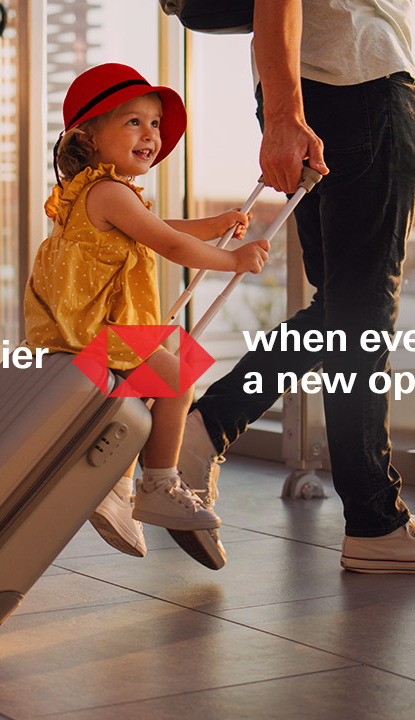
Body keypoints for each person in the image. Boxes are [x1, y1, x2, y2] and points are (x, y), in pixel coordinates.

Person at [172, 0, 415, 573]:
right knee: (362, 313)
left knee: (344, 312)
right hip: (358, 81)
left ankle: (204, 429)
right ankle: (375, 521)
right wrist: (284, 115)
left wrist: (282, 111)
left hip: (316, 92)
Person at [24, 63, 265, 558]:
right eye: (133, 121)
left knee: (174, 359)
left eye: (154, 123)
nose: (150, 134)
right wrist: (233, 260)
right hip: (92, 335)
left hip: (78, 332)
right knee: (177, 378)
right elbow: (168, 244)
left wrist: (214, 224)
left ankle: (117, 483)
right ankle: (158, 484)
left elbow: (160, 228)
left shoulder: (94, 191)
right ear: (88, 137)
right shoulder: (109, 192)